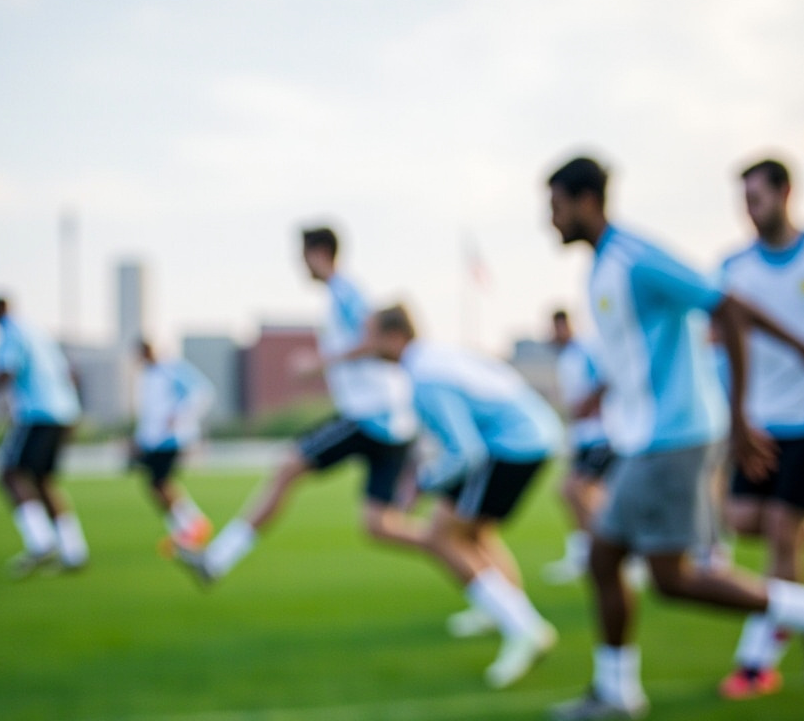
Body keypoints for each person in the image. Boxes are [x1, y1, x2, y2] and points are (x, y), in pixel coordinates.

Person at [543, 154, 804, 721]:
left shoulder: (636, 257)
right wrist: (606, 393)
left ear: (586, 201)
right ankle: (620, 689)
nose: (550, 220)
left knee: (641, 566)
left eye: (556, 207)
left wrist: (740, 412)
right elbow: (641, 352)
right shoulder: (603, 268)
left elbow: (728, 308)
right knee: (645, 569)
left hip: (676, 436)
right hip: (649, 438)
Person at [179, 226, 421, 586]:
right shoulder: (341, 294)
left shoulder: (346, 292)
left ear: (318, 254)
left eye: (302, 256)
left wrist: (320, 363)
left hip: (369, 416)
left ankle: (217, 559)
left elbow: (376, 341)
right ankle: (466, 559)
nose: (299, 265)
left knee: (289, 466)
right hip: (388, 420)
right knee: (379, 526)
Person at [716, 157, 804, 698]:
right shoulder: (731, 267)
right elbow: (720, 339)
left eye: (756, 197)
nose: (749, 210)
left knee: (782, 531)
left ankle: (757, 663)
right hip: (760, 419)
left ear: (784, 193)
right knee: (740, 518)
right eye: (742, 200)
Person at [366, 302, 564, 688]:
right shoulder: (434, 358)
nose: (364, 345)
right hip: (532, 435)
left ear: (393, 337)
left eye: (369, 336)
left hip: (510, 445)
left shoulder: (424, 376)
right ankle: (504, 612)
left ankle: (524, 628)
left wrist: (422, 483)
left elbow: (466, 452)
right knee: (473, 533)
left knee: (443, 536)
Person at [0, 295, 88, 576]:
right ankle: (74, 552)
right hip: (63, 412)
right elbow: (69, 374)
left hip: (37, 414)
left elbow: (5, 373)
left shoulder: (11, 333)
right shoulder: (39, 333)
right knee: (43, 481)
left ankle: (41, 542)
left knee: (9, 473)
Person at [541, 308, 615, 584]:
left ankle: (617, 553)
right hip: (582, 437)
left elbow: (610, 377)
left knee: (575, 490)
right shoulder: (566, 358)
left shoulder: (587, 350)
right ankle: (587, 554)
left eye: (559, 326)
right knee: (583, 495)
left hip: (602, 434)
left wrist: (592, 402)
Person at [131, 338, 214, 552]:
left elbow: (203, 392)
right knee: (155, 486)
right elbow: (149, 414)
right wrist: (140, 440)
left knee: (160, 482)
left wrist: (181, 415)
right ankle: (185, 528)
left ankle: (193, 525)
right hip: (153, 440)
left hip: (172, 438)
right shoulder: (147, 376)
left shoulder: (171, 369)